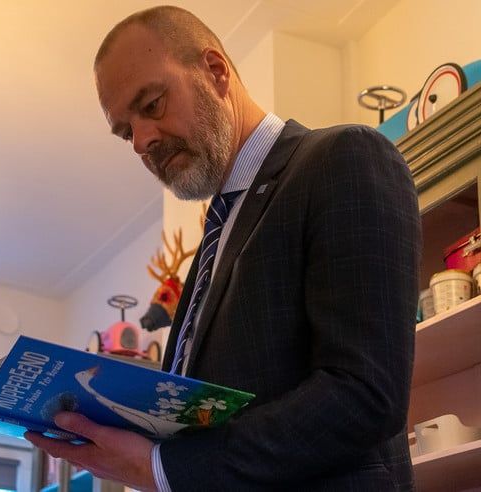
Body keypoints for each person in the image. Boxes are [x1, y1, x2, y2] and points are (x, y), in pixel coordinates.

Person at [26, 5, 421, 491]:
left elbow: (365, 394)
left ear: (215, 72)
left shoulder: (345, 159)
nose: (142, 141)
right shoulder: (215, 236)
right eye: (127, 131)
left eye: (151, 105)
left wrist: (161, 467)